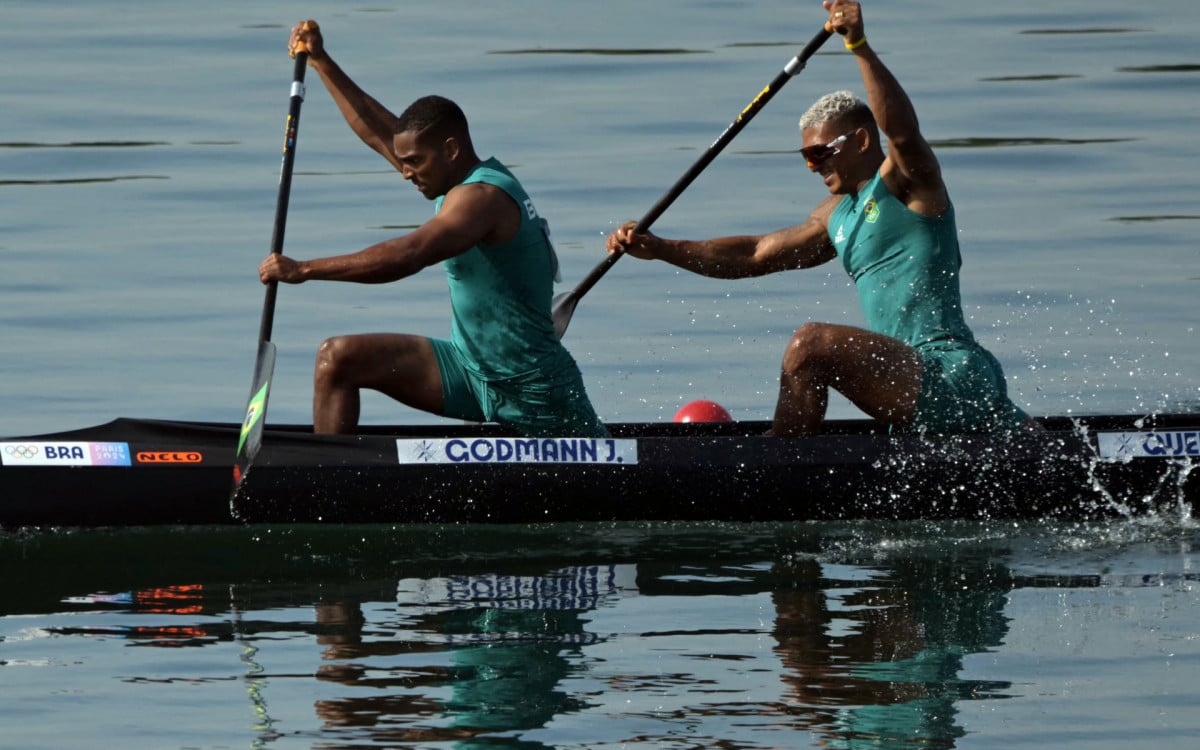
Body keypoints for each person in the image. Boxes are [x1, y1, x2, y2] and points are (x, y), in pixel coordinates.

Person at [606, 1, 1032, 437]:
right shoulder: (835, 217)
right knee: (810, 354)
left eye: (819, 153)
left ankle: (774, 470)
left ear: (862, 140)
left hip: (951, 374)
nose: (813, 166)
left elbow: (902, 132)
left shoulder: (908, 181)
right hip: (908, 380)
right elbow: (754, 255)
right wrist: (662, 249)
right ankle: (790, 457)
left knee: (811, 345)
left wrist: (859, 46)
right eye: (806, 157)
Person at [260, 21, 607, 438]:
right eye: (403, 162)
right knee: (338, 358)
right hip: (468, 370)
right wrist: (320, 62)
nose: (405, 173)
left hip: (535, 391)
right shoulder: (446, 177)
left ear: (451, 150)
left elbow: (410, 254)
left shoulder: (482, 199)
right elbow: (376, 130)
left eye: (414, 163)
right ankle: (325, 484)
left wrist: (305, 269)